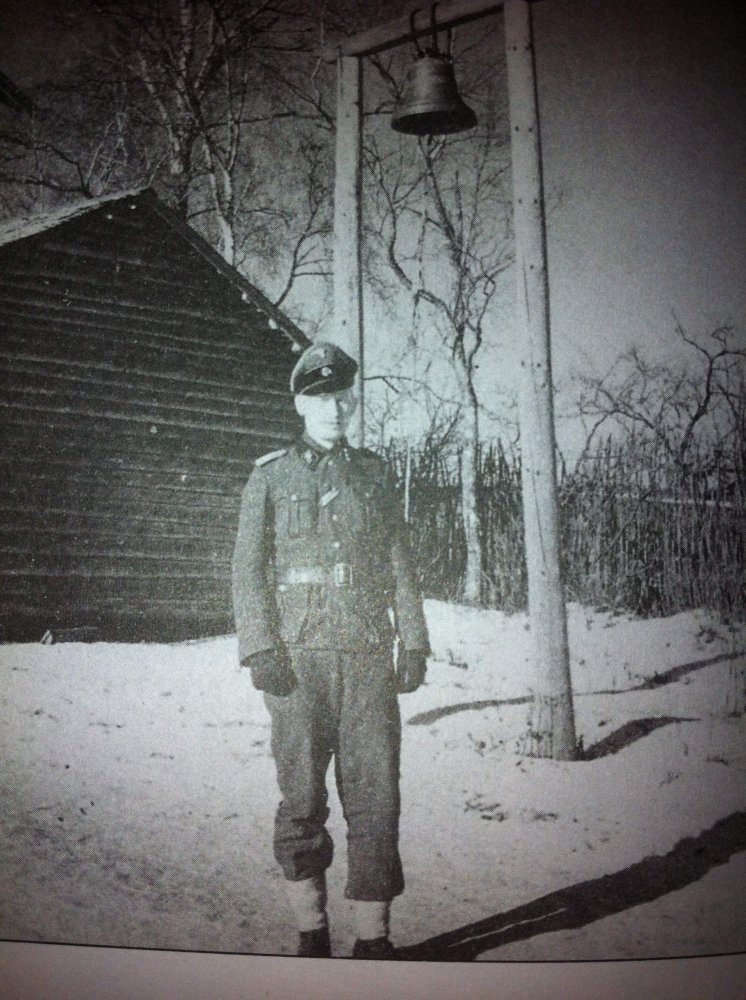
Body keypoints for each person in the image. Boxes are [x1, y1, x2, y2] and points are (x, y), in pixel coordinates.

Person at [232, 341, 429, 960]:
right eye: (321, 399)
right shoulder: (270, 476)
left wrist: (414, 639)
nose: (335, 409)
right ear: (300, 405)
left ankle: (373, 938)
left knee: (377, 797)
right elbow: (247, 570)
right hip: (297, 661)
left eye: (344, 397)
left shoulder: (373, 474)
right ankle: (311, 929)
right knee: (301, 797)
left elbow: (399, 561)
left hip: (367, 655)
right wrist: (260, 646)